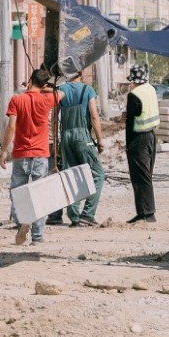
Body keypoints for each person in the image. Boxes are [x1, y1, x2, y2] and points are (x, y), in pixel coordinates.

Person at [0, 68, 62, 245]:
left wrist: (4, 151)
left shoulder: (17, 100)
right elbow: (62, 92)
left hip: (20, 153)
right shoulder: (47, 99)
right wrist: (46, 88)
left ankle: (21, 222)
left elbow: (11, 127)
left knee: (18, 193)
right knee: (39, 195)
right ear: (43, 84)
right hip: (41, 154)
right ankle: (37, 236)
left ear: (29, 80)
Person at [55, 72, 106, 227]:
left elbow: (53, 119)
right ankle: (88, 214)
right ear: (80, 74)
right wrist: (100, 139)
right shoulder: (87, 90)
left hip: (65, 136)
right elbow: (94, 116)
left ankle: (74, 217)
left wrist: (57, 142)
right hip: (82, 136)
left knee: (71, 174)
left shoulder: (60, 90)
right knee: (98, 175)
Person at [125, 64, 159, 224]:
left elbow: (130, 121)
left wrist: (128, 144)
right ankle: (143, 211)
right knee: (146, 174)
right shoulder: (151, 89)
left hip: (138, 138)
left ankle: (148, 212)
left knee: (140, 177)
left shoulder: (134, 94)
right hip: (152, 136)